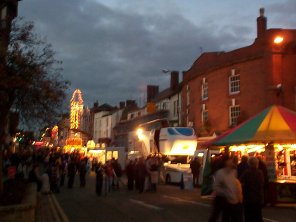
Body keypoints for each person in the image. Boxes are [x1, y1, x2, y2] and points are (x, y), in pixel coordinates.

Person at [240, 157, 264, 222]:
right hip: (258, 197)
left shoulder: (247, 173)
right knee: (258, 216)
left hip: (248, 197)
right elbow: (261, 184)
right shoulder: (260, 173)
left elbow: (240, 182)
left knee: (248, 216)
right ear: (257, 164)